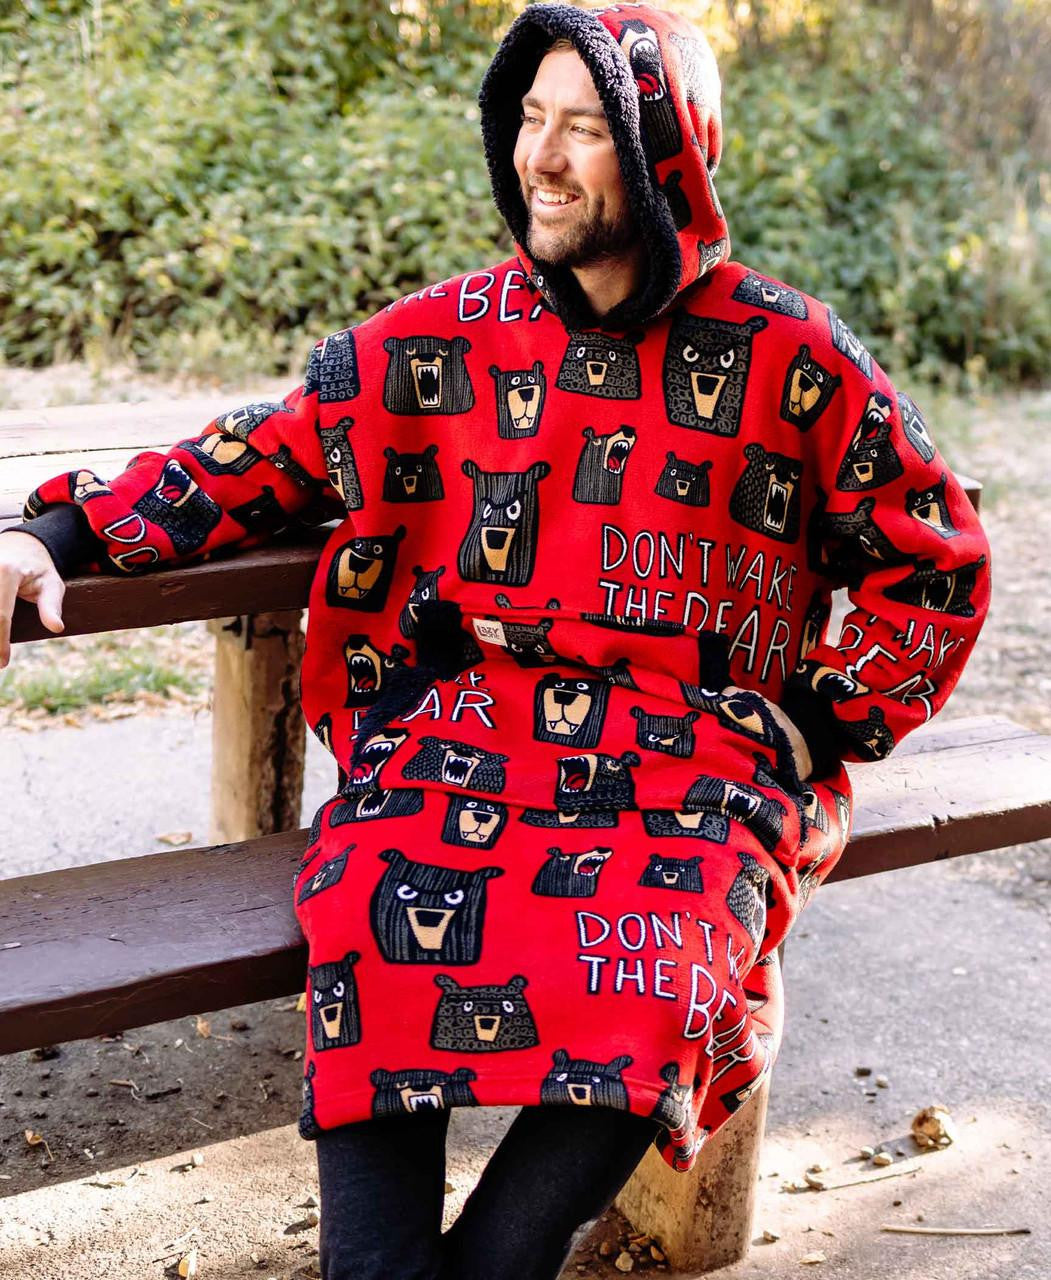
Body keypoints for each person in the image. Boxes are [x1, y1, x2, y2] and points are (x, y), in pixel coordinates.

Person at [0, 5, 991, 1278]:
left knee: (673, 955)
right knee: (373, 904)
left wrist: (822, 718)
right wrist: (55, 535)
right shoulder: (446, 334)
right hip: (461, 732)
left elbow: (937, 555)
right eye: (529, 119)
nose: (542, 157)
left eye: (584, 127)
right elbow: (262, 452)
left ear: (669, 155)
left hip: (699, 763)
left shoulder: (791, 349)